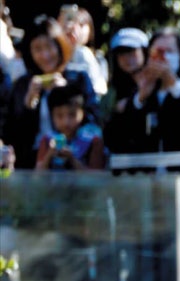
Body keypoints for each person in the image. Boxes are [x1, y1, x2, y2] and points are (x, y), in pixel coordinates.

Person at [5, 14, 98, 168]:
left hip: (74, 162)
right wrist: (28, 104)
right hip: (34, 166)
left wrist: (66, 94)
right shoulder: (23, 85)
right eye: (37, 49)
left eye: (49, 47)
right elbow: (13, 137)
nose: (45, 55)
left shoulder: (79, 79)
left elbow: (94, 123)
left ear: (60, 46)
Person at [104, 27, 180, 155]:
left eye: (169, 51)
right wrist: (139, 99)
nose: (163, 57)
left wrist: (174, 85)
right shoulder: (142, 91)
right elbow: (114, 138)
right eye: (157, 52)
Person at [34, 83, 106, 170]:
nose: (66, 122)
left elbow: (96, 178)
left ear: (82, 113)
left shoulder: (93, 140)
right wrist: (49, 155)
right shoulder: (47, 140)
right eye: (59, 116)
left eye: (72, 115)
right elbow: (38, 177)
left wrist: (72, 159)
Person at [59, 4, 107, 97]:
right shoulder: (57, 55)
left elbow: (100, 88)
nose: (74, 29)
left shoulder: (91, 56)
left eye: (81, 25)